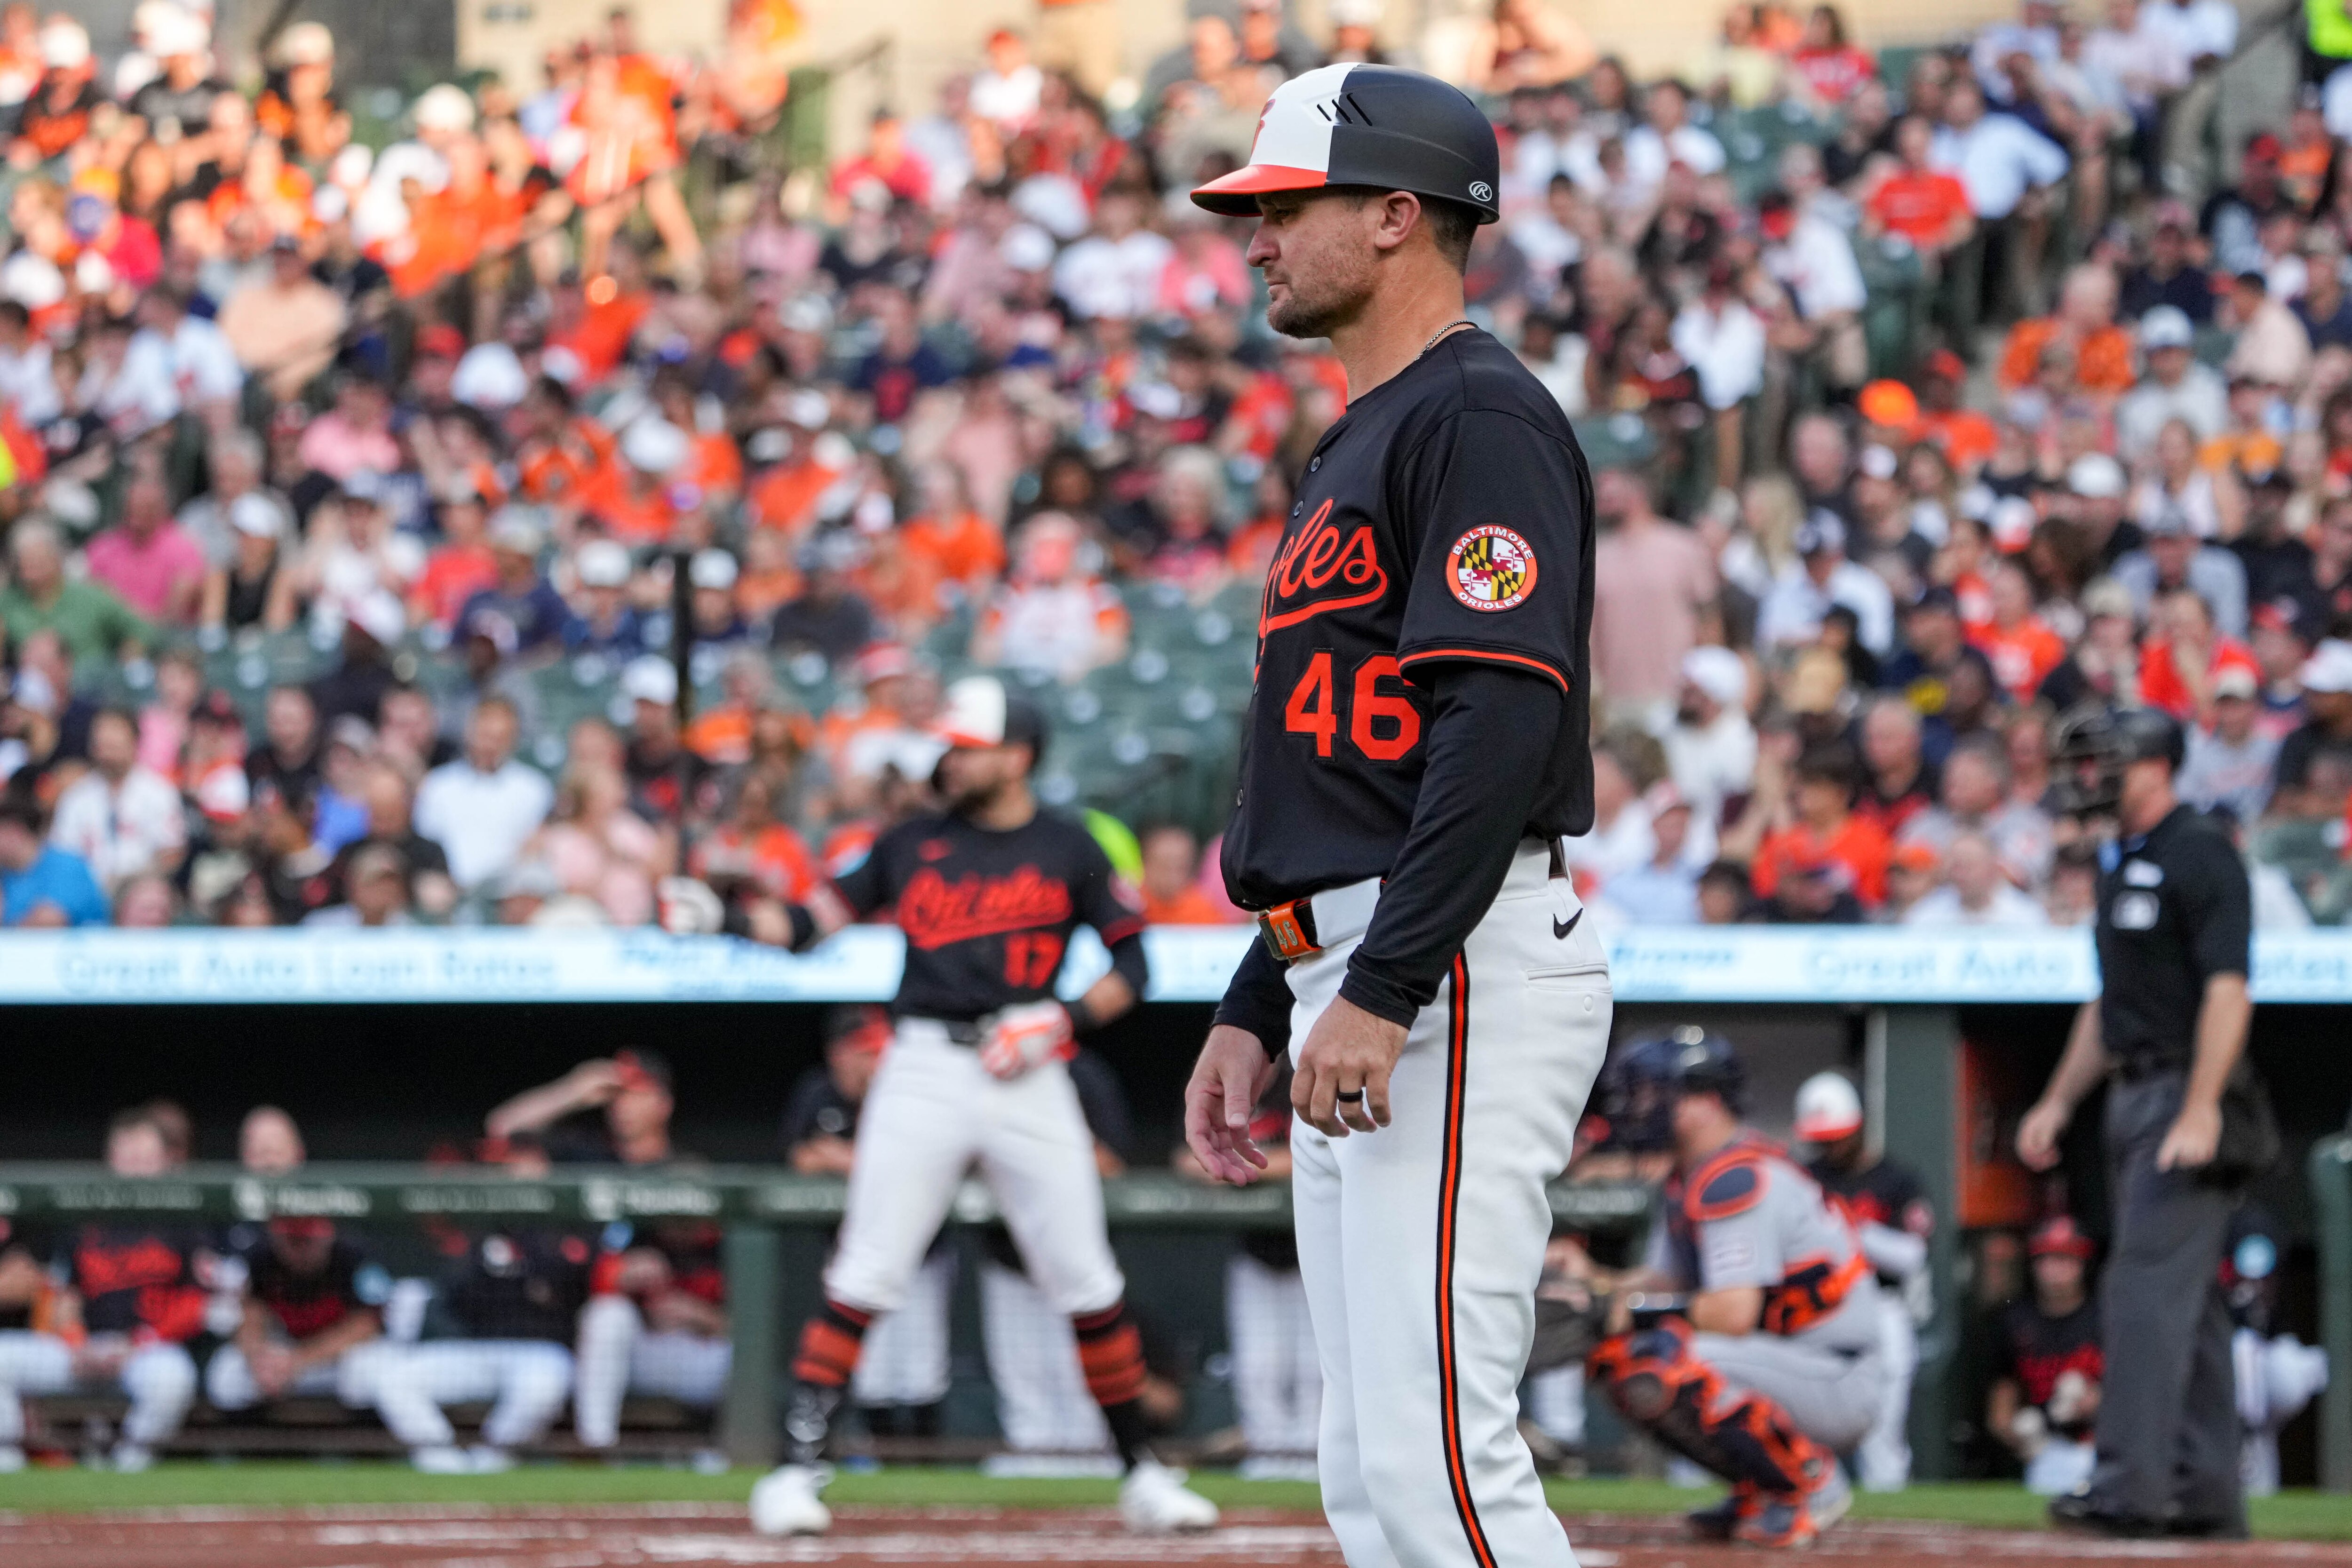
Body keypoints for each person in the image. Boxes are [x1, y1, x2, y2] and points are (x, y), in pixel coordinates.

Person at [1180, 64, 1607, 1568]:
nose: (1255, 240)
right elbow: (1337, 765)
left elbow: (1499, 724)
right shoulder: (1369, 429)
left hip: (1446, 958)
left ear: (1393, 216)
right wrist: (1263, 989)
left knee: (1440, 1466)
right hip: (1359, 957)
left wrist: (1379, 982)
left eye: (1282, 207)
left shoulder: (1474, 416)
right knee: (1370, 1470)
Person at [746, 675, 1215, 1536]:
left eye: (969, 746)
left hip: (1027, 1065)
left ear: (1018, 754)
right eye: (951, 746)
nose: (951, 760)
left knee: (1086, 1276)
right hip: (923, 1060)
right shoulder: (912, 839)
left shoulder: (1070, 846)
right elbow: (812, 921)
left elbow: (1137, 968)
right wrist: (732, 915)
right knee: (868, 1267)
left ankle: (1142, 1469)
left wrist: (1059, 1021)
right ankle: (794, 1469)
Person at [2017, 706, 2256, 1536]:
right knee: (2190, 1302)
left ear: (2157, 768)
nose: (2091, 777)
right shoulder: (2125, 858)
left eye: (2107, 761)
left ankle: (2128, 1487)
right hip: (2130, 1089)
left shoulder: (2202, 852)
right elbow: (2107, 998)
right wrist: (2059, 1097)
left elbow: (2231, 989)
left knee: (2141, 1291)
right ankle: (2203, 1489)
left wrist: (2199, 1107)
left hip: (2188, 1093)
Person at [1577, 1030, 1878, 1546]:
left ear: (1705, 1103)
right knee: (1615, 1358)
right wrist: (1586, 1284)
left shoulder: (1735, 1177)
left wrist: (1631, 1313)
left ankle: (1813, 1483)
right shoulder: (1690, 1177)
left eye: (1656, 1093)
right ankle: (1759, 1487)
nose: (1641, 1106)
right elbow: (1658, 1284)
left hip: (1836, 1372)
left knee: (1658, 1359)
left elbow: (1731, 1314)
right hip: (1784, 1361)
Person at [1794, 1072, 1934, 1493]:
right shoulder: (1803, 1178)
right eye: (1822, 1139)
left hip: (1880, 1306)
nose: (1830, 1146)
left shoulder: (1897, 1179)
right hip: (1818, 1310)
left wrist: (1851, 1229)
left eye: (1838, 1136)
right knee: (1811, 1423)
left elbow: (1912, 1257)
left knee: (1883, 1432)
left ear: (1858, 1127)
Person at [206, 1110, 392, 1419]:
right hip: (281, 1357)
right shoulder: (260, 1251)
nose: (300, 1247)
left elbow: (367, 1326)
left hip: (332, 1359)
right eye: (292, 1239)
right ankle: (254, 1452)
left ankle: (358, 1453)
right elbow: (248, 1312)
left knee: (367, 1375)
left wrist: (300, 1359)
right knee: (226, 1378)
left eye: (308, 1238)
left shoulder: (350, 1250)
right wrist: (259, 1357)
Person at [1989, 1215, 2105, 1496]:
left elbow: (2136, 1396)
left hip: (2101, 1449)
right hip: (2049, 1450)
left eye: (2066, 1259)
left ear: (2082, 1264)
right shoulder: (2016, 1321)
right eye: (2048, 1259)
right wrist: (2019, 1436)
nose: (2055, 1270)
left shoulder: (2105, 1318)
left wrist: (2095, 1401)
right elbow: (2000, 1410)